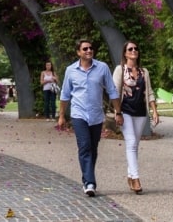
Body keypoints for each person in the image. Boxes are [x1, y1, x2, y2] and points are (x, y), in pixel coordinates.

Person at [57, 39, 122, 197]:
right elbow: (65, 95)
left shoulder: (102, 68)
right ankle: (89, 182)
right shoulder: (71, 70)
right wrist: (61, 116)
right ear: (78, 52)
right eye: (85, 48)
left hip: (96, 115)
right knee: (85, 146)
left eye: (91, 48)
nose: (88, 50)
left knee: (93, 148)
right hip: (78, 114)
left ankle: (87, 177)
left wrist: (118, 111)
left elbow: (112, 91)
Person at [112, 40, 159, 194]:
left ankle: (131, 175)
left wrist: (154, 111)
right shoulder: (120, 69)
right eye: (130, 49)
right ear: (125, 53)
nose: (133, 51)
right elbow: (114, 92)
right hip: (125, 111)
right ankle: (136, 178)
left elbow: (150, 92)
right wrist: (117, 112)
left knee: (134, 145)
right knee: (131, 142)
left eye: (136, 48)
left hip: (140, 112)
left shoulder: (144, 72)